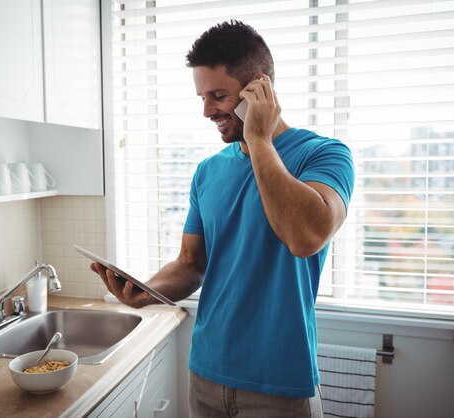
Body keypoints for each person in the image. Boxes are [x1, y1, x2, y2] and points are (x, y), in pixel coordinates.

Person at [91, 20, 354, 418]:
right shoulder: (207, 171)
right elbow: (190, 264)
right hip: (206, 374)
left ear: (258, 90)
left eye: (218, 96)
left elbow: (305, 237)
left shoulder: (324, 155)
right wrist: (148, 290)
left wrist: (259, 139)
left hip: (278, 383)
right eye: (202, 97)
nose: (206, 111)